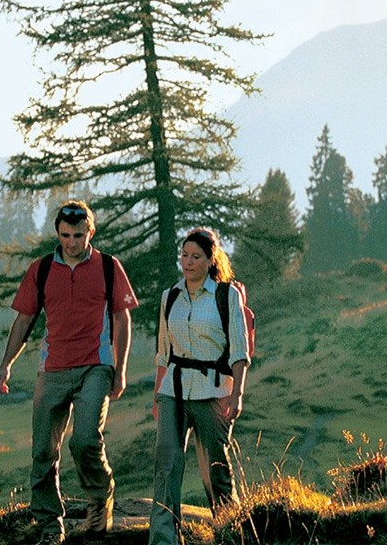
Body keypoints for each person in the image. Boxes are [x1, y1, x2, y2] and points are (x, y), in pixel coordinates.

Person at [0, 200, 137, 545]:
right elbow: (24, 320)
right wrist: (5, 365)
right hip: (53, 368)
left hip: (96, 367)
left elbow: (121, 317)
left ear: (91, 231)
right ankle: (48, 523)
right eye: (64, 235)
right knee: (43, 449)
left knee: (85, 440)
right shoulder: (41, 270)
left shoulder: (108, 267)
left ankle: (100, 498)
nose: (71, 243)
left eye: (78, 235)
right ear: (57, 232)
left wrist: (120, 369)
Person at [149, 227, 250, 545]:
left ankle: (229, 533)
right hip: (173, 391)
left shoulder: (226, 295)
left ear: (210, 260)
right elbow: (163, 354)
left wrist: (237, 395)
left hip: (214, 392)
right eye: (184, 256)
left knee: (215, 470)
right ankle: (163, 538)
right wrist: (156, 396)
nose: (188, 262)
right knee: (166, 464)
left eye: (195, 257)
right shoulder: (170, 297)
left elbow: (239, 351)